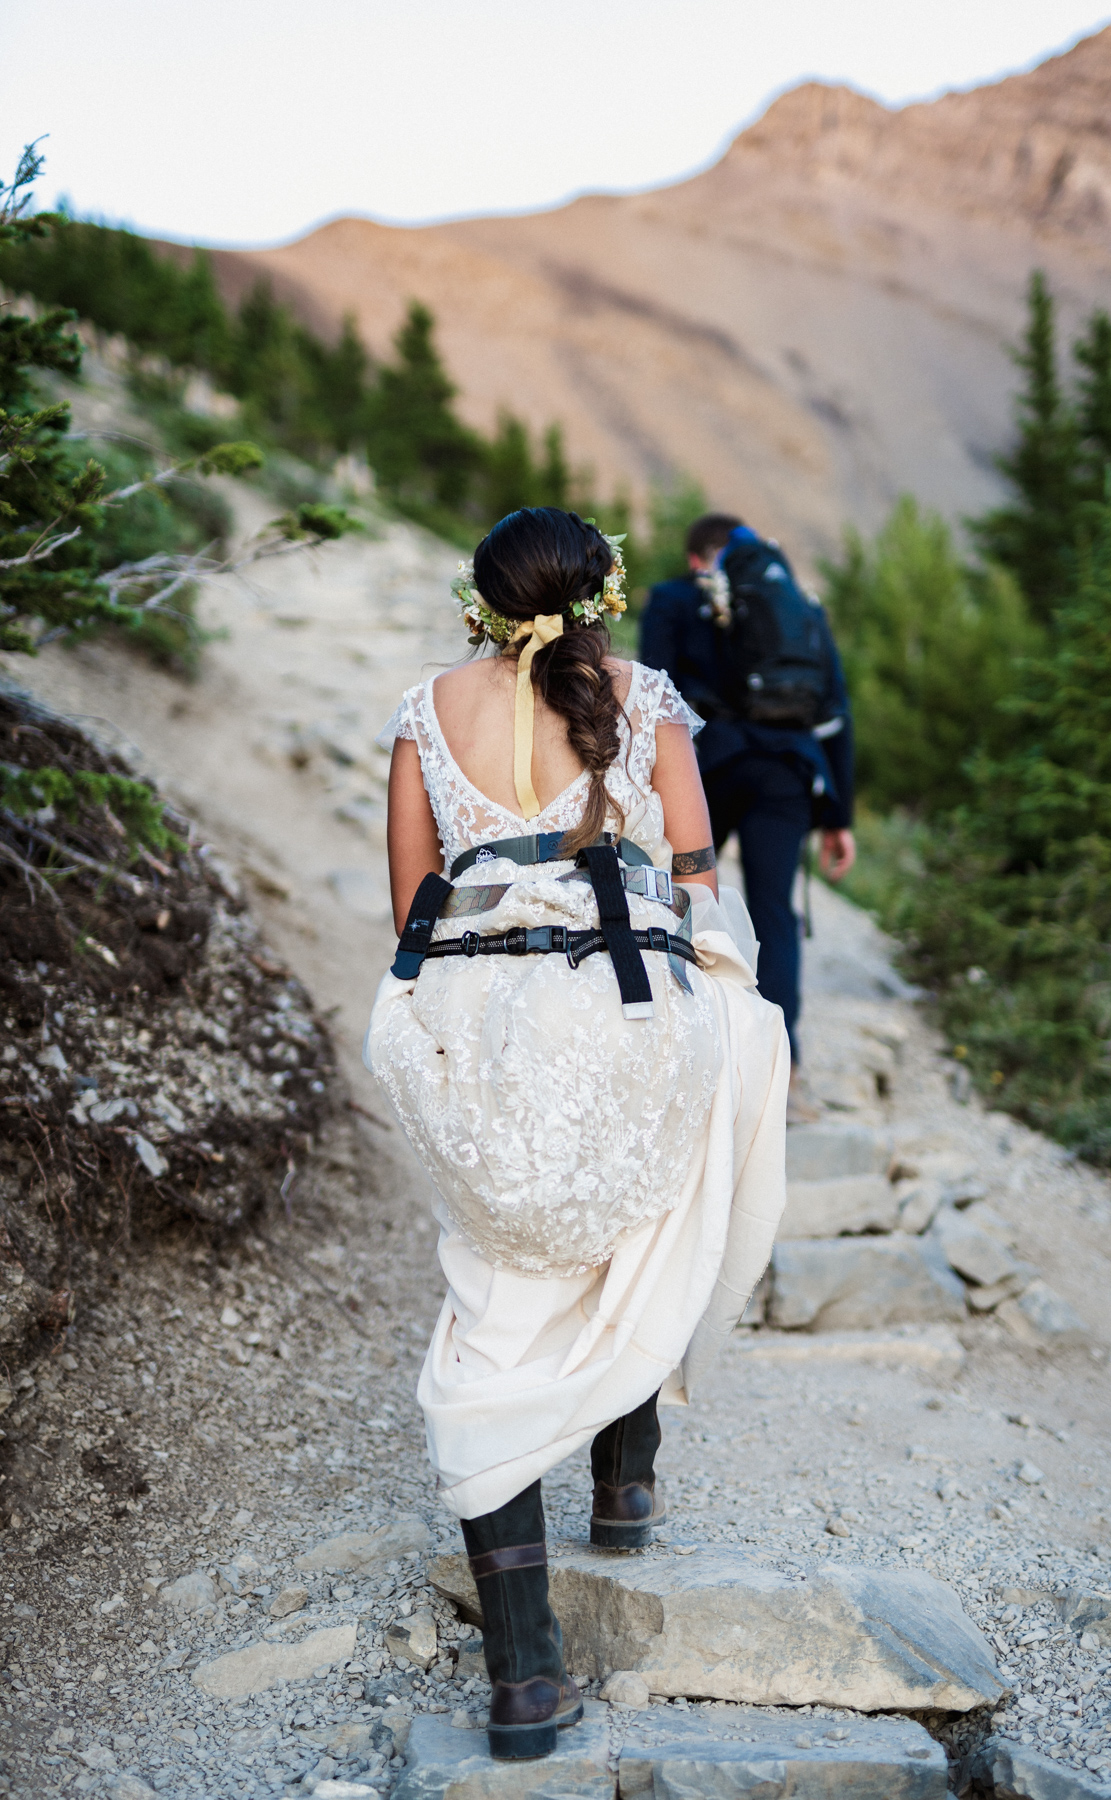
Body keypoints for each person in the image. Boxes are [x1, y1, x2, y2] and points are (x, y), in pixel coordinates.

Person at [364, 508, 788, 1762]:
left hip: (479, 1022)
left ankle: (524, 1683)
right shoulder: (642, 697)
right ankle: (627, 1465)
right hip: (625, 1005)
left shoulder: (422, 712)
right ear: (600, 598)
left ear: (482, 600)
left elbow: (410, 908)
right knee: (665, 1165)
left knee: (498, 1288)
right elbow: (702, 875)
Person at [639, 513, 856, 1120]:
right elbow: (837, 712)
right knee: (774, 915)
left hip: (708, 766)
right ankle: (783, 1075)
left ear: (694, 559)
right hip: (788, 769)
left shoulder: (676, 599)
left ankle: (671, 1056)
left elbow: (655, 694)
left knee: (679, 897)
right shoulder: (800, 606)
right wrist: (840, 815)